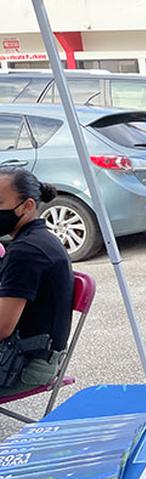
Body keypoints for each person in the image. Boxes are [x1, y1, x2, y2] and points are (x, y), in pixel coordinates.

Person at [0, 167, 74, 395]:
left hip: (25, 365)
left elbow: (2, 328)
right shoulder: (36, 240)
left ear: (28, 206)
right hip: (27, 354)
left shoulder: (27, 251)